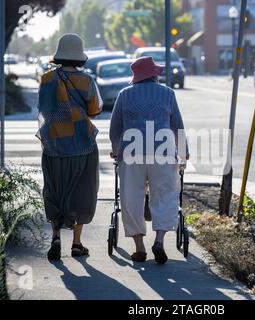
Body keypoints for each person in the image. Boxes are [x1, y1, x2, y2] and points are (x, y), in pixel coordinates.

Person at [109, 56, 189, 264]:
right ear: (154, 75)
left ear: (136, 76)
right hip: (162, 152)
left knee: (131, 198)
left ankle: (139, 248)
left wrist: (116, 150)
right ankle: (160, 242)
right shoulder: (168, 93)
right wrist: (183, 152)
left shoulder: (124, 94)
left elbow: (115, 128)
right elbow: (177, 125)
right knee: (165, 194)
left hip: (131, 153)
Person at [36, 34, 103, 261]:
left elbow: (43, 110)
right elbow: (94, 110)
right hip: (82, 143)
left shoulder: (46, 79)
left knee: (55, 189)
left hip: (54, 143)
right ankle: (76, 243)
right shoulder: (86, 80)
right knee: (83, 190)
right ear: (79, 56)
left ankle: (55, 236)